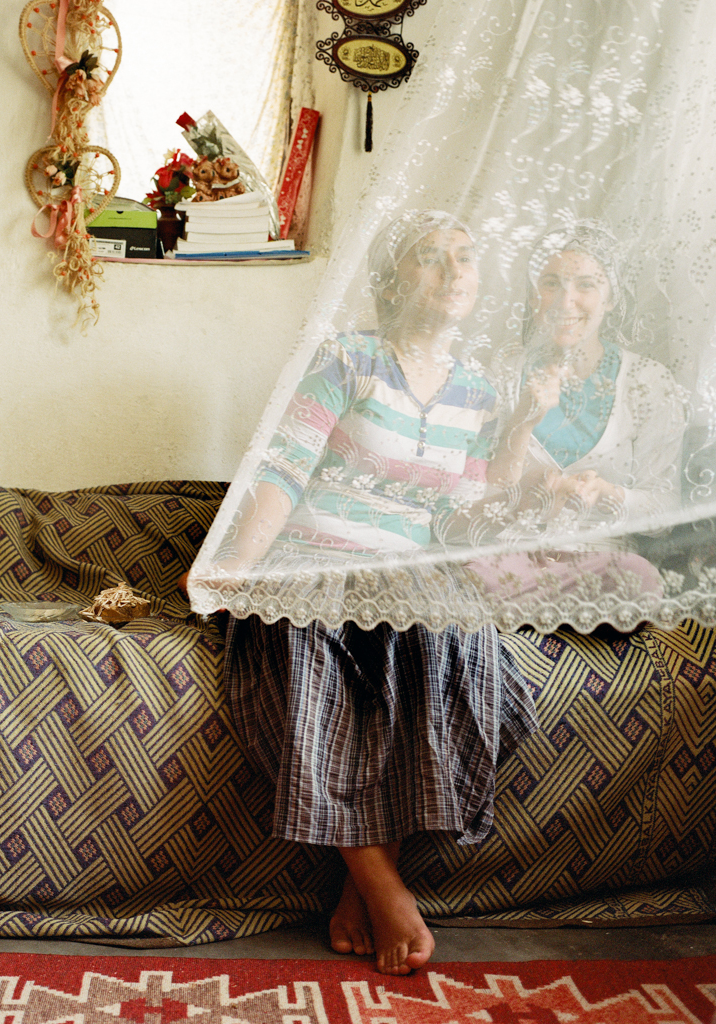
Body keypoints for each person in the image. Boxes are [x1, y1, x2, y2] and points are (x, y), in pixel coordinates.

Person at [213, 211, 536, 975]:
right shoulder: (349, 358)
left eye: (465, 258)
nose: (454, 271)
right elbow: (284, 469)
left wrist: (525, 427)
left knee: (463, 664)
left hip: (412, 571)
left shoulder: (482, 393)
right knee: (307, 669)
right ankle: (382, 886)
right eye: (431, 258)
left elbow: (474, 507)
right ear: (394, 280)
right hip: (316, 557)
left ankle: (362, 888)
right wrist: (236, 571)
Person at [479, 222, 685, 597]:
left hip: (600, 564)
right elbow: (481, 489)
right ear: (532, 296)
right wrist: (522, 423)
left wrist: (606, 493)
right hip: (510, 558)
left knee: (639, 577)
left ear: (610, 299)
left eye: (586, 285)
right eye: (551, 283)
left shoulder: (649, 381)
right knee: (472, 578)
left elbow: (664, 514)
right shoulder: (505, 372)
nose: (565, 300)